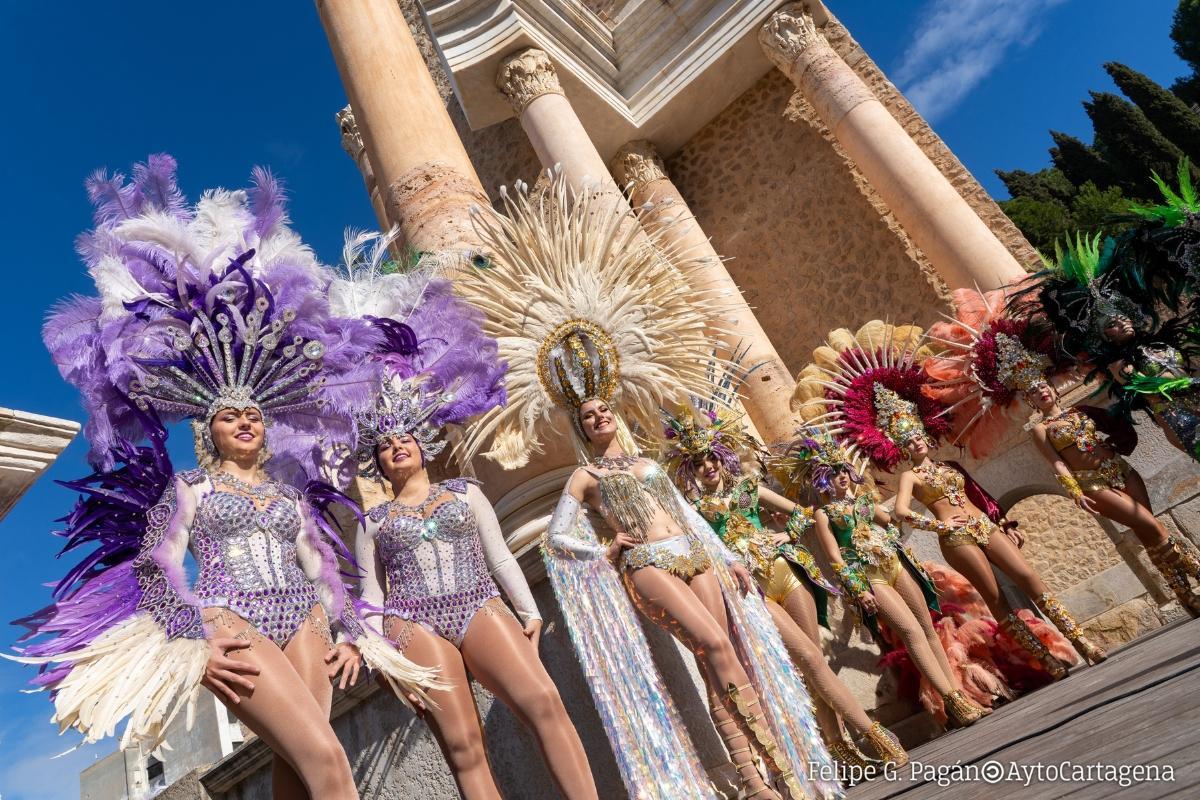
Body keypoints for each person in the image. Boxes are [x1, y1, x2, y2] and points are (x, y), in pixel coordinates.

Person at [11, 159, 439, 800]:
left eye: (254, 416)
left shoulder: (288, 496)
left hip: (305, 622)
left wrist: (352, 631)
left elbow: (321, 565)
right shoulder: (192, 489)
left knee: (300, 770)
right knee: (328, 762)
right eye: (229, 415)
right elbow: (159, 563)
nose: (244, 421)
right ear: (209, 428)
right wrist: (193, 638)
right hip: (232, 622)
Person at [455, 176, 839, 799]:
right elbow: (557, 538)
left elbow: (687, 512)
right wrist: (608, 549)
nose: (599, 416)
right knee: (711, 643)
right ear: (580, 428)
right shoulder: (585, 477)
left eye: (604, 408)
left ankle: (762, 780)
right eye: (589, 416)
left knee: (724, 660)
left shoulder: (648, 464)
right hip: (647, 564)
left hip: (693, 554)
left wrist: (728, 556)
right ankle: (778, 778)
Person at [327, 236, 598, 799]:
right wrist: (381, 654)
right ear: (377, 460)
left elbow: (499, 556)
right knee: (464, 746)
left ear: (423, 444)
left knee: (544, 702)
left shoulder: (465, 494)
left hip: (478, 603)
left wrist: (528, 610)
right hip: (411, 623)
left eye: (405, 438)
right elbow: (370, 593)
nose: (397, 446)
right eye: (385, 445)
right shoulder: (373, 522)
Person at [664, 404, 907, 767]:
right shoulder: (695, 511)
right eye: (698, 463)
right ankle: (873, 737)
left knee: (814, 659)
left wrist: (784, 535)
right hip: (751, 590)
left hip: (788, 573)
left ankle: (839, 747)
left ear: (722, 457)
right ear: (690, 470)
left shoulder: (749, 488)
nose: (707, 466)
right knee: (807, 658)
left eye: (711, 457)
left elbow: (803, 515)